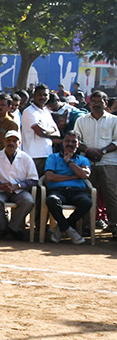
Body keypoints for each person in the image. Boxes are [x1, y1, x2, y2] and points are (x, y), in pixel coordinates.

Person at [73, 90, 117, 233]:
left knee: (111, 195)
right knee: (87, 195)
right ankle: (87, 225)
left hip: (108, 162)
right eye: (94, 102)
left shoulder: (114, 120)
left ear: (106, 104)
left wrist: (102, 151)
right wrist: (88, 151)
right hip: (86, 163)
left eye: (100, 102)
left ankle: (114, 226)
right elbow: (76, 140)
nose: (96, 104)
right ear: (89, 103)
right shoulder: (81, 120)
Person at [0, 130, 38, 240]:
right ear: (3, 142)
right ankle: (5, 228)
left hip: (19, 190)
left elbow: (34, 180)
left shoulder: (26, 158)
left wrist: (18, 185)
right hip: (0, 189)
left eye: (14, 141)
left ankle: (11, 228)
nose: (11, 143)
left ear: (19, 143)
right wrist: (0, 185)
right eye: (8, 140)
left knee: (29, 201)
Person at [43, 132, 92, 244]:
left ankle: (62, 228)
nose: (70, 144)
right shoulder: (53, 157)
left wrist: (69, 161)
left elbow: (85, 175)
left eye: (73, 141)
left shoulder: (83, 160)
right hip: (58, 191)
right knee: (51, 200)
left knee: (86, 202)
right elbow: (49, 177)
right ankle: (70, 230)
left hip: (77, 191)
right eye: (67, 141)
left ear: (78, 144)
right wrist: (74, 176)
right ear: (63, 142)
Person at [21, 84, 59, 175]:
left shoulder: (46, 111)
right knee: (34, 184)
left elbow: (57, 132)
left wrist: (46, 131)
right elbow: (40, 132)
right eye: (39, 94)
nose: (42, 97)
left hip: (47, 154)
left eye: (45, 95)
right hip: (33, 155)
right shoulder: (29, 111)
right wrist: (49, 131)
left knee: (44, 184)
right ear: (34, 96)